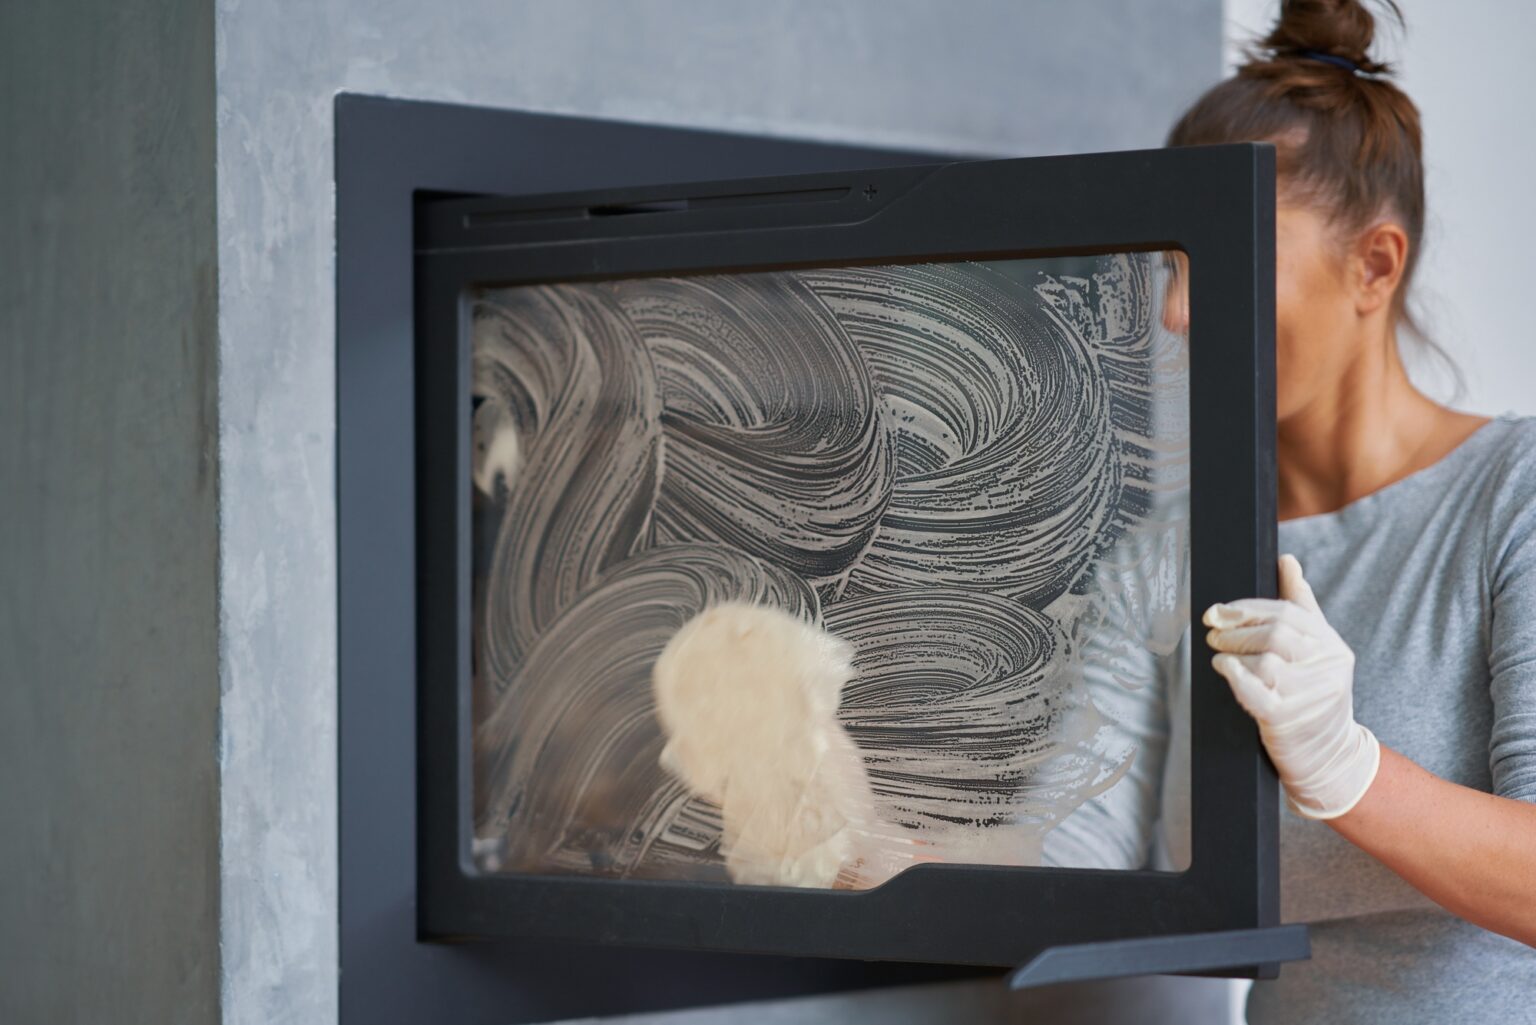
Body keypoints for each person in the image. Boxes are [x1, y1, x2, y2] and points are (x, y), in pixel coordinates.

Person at [1164, 0, 1536, 1020]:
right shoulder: (1175, 544)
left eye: (1225, 256)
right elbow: (1084, 851)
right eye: (1171, 262)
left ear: (1373, 266)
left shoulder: (1514, 497)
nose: (1178, 312)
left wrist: (1347, 766)